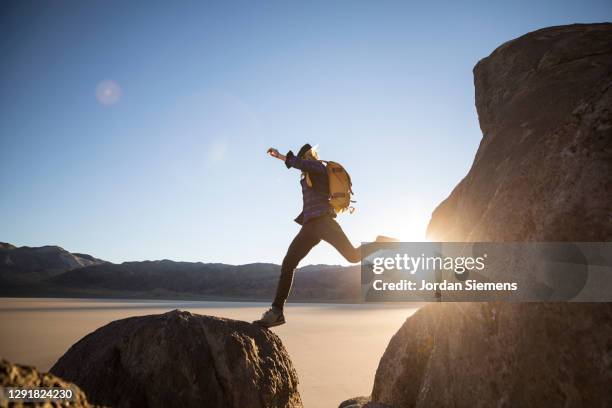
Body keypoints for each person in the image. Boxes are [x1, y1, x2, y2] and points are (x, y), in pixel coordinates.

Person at [254, 143, 397, 328]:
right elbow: (302, 170)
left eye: (303, 156)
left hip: (324, 222)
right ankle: (276, 312)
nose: (301, 159)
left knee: (352, 256)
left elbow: (302, 165)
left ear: (308, 155)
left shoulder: (317, 167)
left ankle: (379, 243)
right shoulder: (307, 176)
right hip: (309, 226)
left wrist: (281, 156)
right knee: (288, 262)